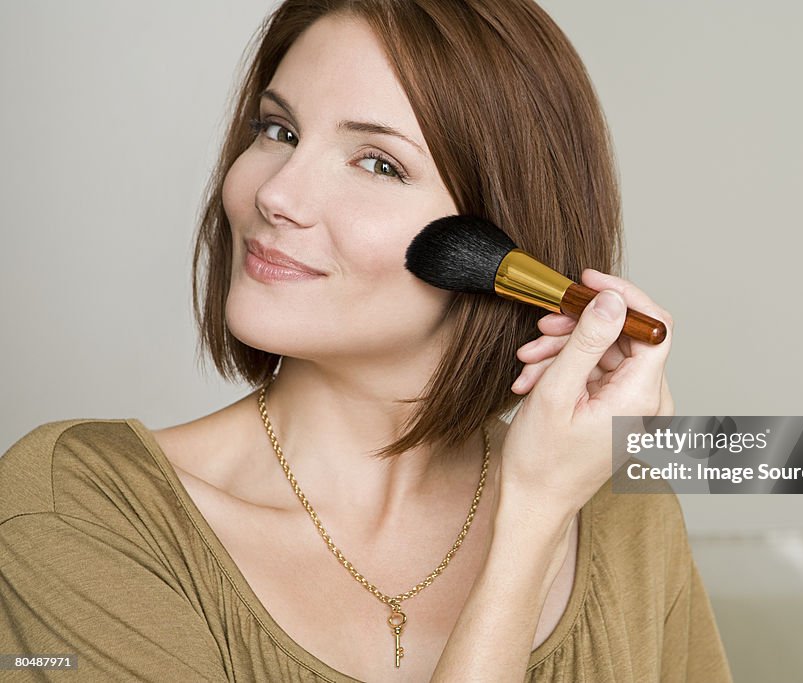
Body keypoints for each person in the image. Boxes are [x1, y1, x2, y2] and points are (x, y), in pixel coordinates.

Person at [0, 1, 732, 681]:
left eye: (378, 163)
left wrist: (545, 500)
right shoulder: (76, 507)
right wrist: (531, 526)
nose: (274, 194)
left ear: (502, 237)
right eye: (278, 130)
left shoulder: (620, 507)